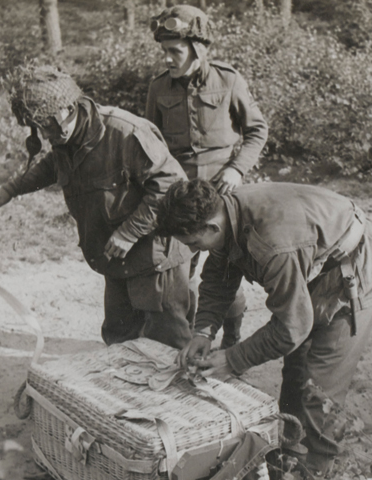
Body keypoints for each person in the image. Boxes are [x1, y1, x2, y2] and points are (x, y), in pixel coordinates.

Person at [156, 179, 372, 475]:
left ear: (212, 228)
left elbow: (291, 327)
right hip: (310, 267)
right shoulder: (224, 213)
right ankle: (289, 462)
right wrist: (204, 331)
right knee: (295, 377)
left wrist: (232, 359)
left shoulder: (271, 243)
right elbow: (218, 276)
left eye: (193, 244)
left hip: (352, 272)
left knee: (319, 395)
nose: (194, 250)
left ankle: (314, 470)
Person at [0, 64, 193, 349]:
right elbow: (52, 165)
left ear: (69, 108)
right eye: (38, 127)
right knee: (118, 339)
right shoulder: (65, 137)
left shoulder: (125, 133)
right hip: (114, 256)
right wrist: (10, 190)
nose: (45, 134)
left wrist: (129, 232)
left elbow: (171, 187)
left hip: (154, 257)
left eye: (48, 124)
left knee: (168, 341)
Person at [146, 5, 269, 349]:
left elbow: (257, 131)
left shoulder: (228, 80)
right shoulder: (158, 88)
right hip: (180, 197)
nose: (169, 59)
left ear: (198, 49)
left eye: (176, 51)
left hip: (223, 195)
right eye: (165, 51)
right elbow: (152, 143)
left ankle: (230, 337)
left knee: (225, 272)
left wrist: (237, 168)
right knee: (178, 278)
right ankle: (188, 342)